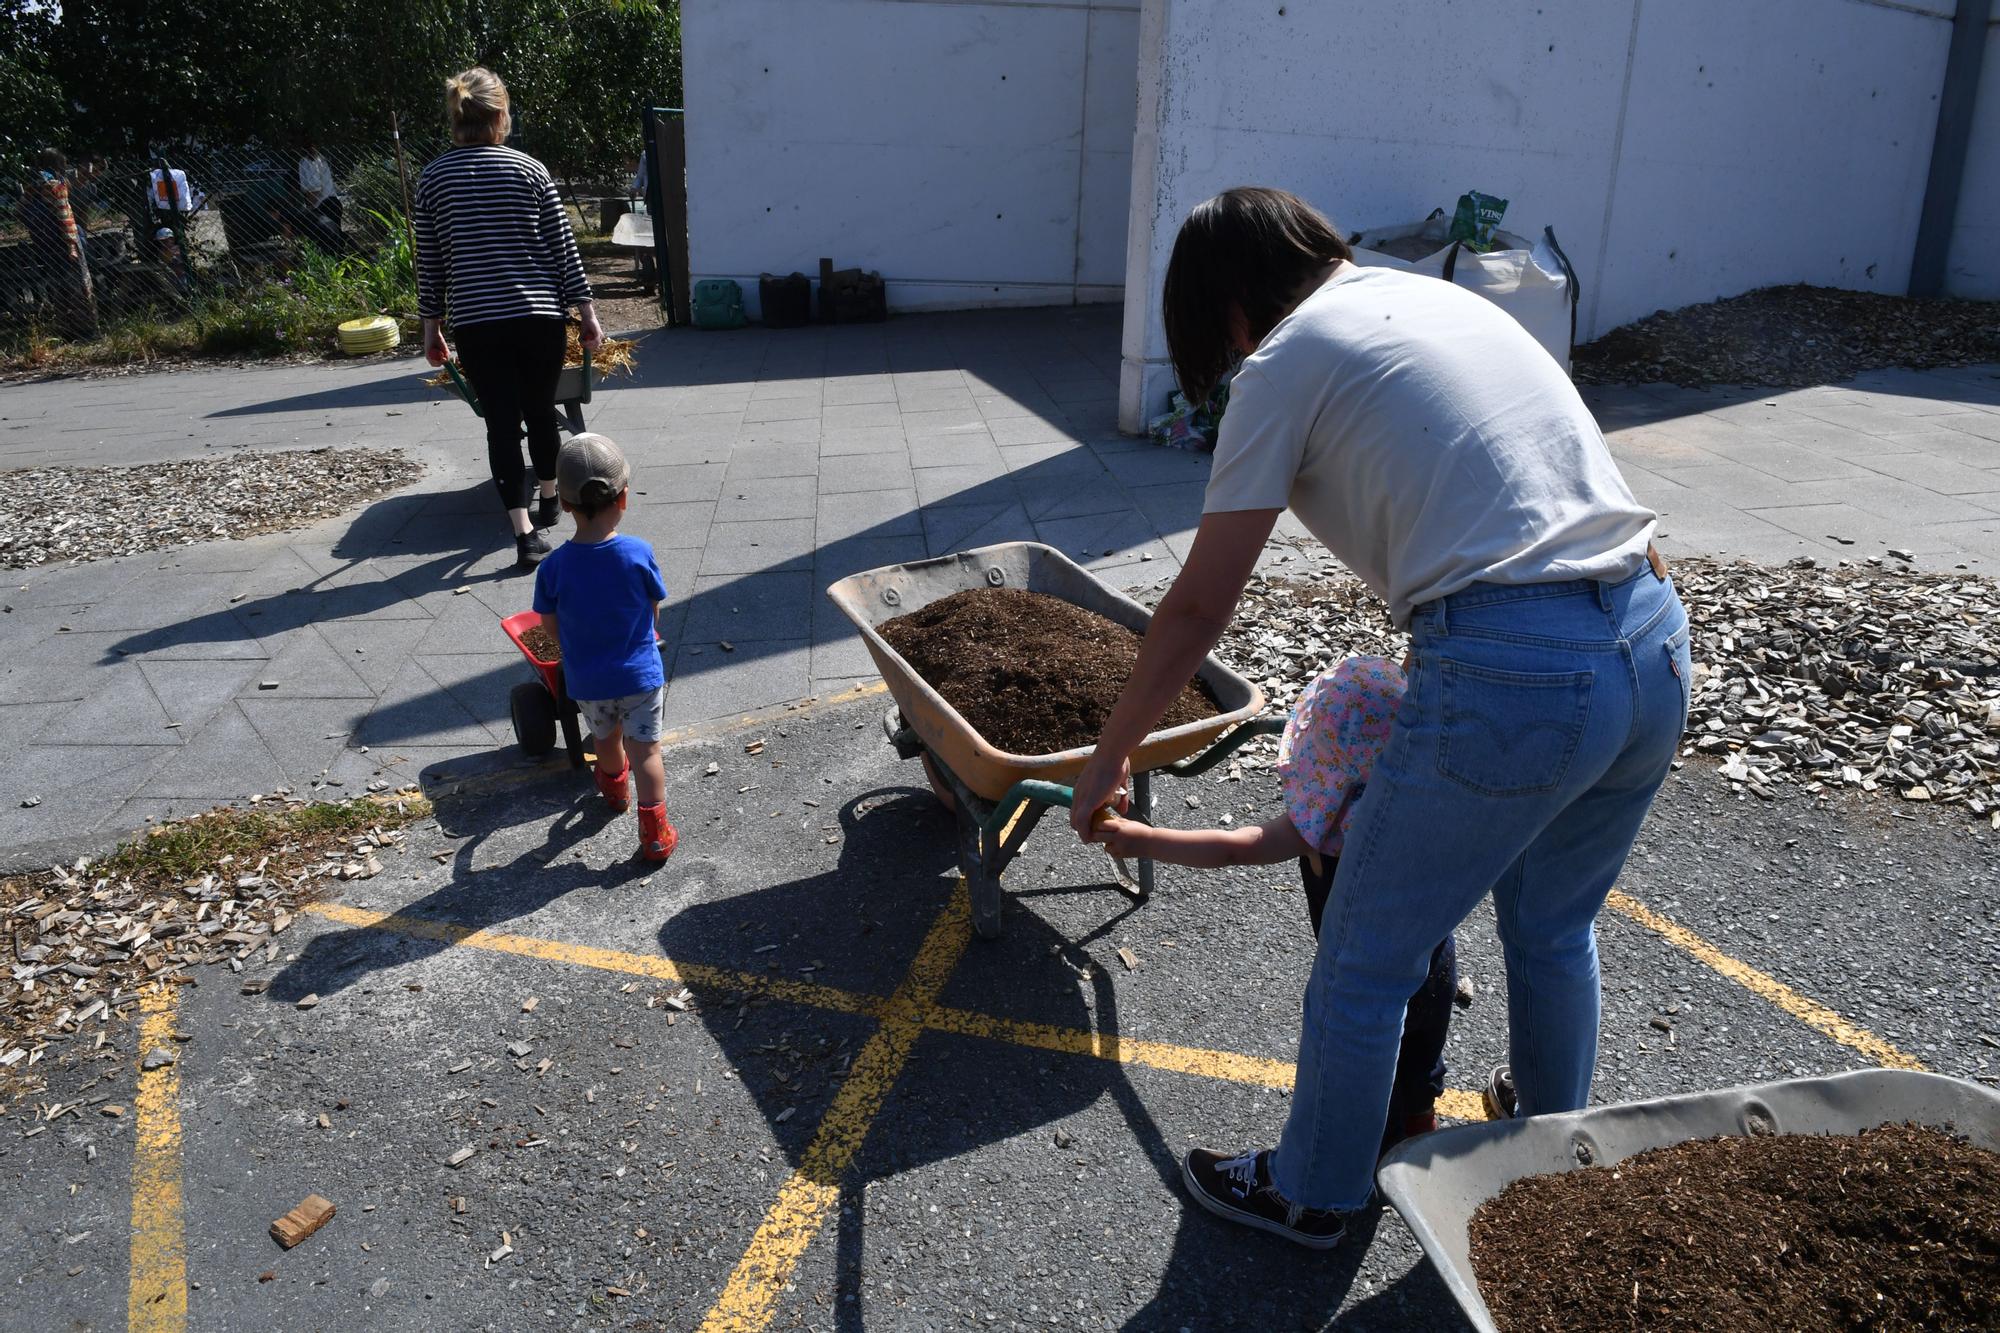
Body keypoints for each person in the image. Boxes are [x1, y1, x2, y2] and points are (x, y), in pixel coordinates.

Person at [1070, 187, 1687, 1248]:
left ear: (1224, 309)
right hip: (1650, 631)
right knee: (1550, 925)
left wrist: (1103, 760)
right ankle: (1551, 1145)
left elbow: (1197, 605)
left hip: (1515, 669)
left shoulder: (1281, 360)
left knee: (1364, 957)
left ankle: (1312, 1190)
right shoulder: (1434, 303)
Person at [1093, 654, 1459, 1162]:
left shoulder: (1323, 831)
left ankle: (1323, 1173)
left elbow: (1231, 847)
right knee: (1418, 1060)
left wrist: (1146, 840)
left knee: (1349, 1064)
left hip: (1365, 977)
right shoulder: (1431, 806)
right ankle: (1417, 1130)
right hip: (1435, 965)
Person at [414, 65, 604, 569]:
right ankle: (547, 496)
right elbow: (564, 251)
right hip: (538, 317)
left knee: (501, 423)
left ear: (456, 117)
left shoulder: (433, 179)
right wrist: (586, 312)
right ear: (502, 115)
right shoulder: (529, 169)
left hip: (477, 322)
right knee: (541, 411)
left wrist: (431, 328)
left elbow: (429, 262)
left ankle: (523, 533)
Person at [533, 434, 678, 862]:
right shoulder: (638, 552)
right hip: (638, 674)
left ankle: (614, 792)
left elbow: (549, 626)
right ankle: (654, 833)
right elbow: (652, 612)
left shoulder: (553, 567)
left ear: (563, 502)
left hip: (588, 679)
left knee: (605, 739)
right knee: (646, 751)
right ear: (624, 497)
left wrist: (574, 647)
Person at [19, 148, 97, 337]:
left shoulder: (31, 186)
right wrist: (71, 244)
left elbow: (19, 211)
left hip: (44, 243)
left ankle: (64, 329)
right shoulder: (56, 185)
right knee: (79, 285)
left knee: (57, 286)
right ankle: (86, 329)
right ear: (58, 165)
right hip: (64, 242)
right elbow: (64, 216)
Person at [297, 139, 342, 250]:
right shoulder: (321, 160)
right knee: (335, 237)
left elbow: (314, 189)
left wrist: (310, 210)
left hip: (323, 205)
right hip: (332, 201)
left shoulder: (307, 162)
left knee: (326, 242)